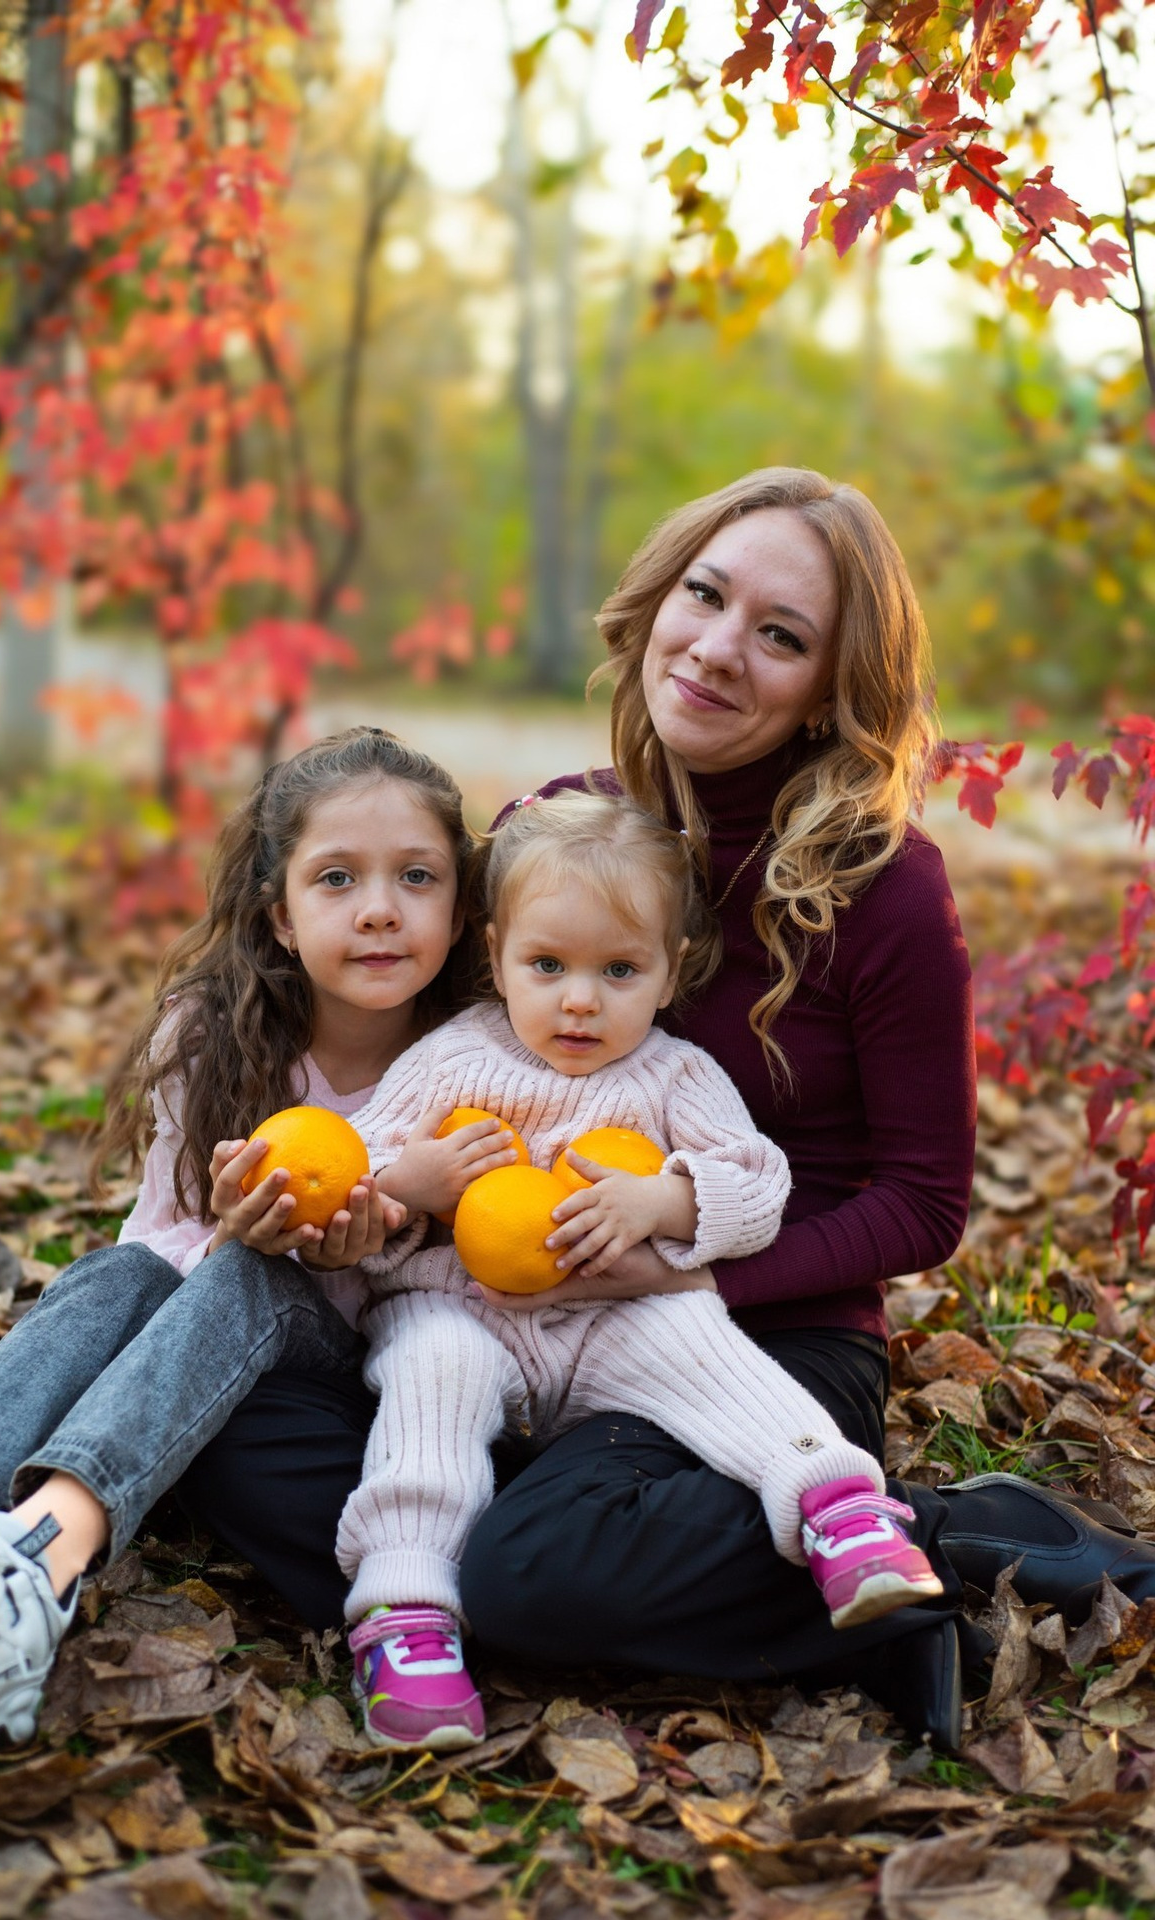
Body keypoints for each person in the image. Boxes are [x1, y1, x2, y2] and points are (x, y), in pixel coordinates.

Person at [178, 468, 1155, 1750]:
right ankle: (614, 1559)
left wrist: (675, 1267)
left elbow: (921, 1206)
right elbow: (456, 1081)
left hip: (747, 1336)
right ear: (656, 599)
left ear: (830, 689)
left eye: (781, 635)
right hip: (501, 1318)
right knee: (240, 1430)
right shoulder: (554, 832)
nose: (716, 646)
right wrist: (361, 1200)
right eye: (704, 594)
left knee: (533, 1578)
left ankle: (940, 1539)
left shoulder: (886, 891)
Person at [0, 727, 505, 1761]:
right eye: (336, 878)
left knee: (249, 1269)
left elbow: (477, 1299)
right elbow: (156, 1241)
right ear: (280, 916)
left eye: (417, 877)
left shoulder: (481, 1062)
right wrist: (232, 1232)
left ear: (462, 908)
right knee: (126, 1268)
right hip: (221, 1327)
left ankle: (35, 1567)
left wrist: (376, 1227)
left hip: (365, 1377)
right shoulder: (212, 1035)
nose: (379, 908)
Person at [338, 788, 943, 1751]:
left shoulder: (674, 1073)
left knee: (698, 1341)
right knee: (430, 1385)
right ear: (495, 954)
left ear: (671, 974)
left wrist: (666, 1202)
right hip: (463, 1307)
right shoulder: (449, 1059)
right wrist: (407, 1184)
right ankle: (405, 1611)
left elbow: (759, 1183)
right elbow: (358, 1169)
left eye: (619, 970)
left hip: (615, 1315)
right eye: (547, 966)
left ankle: (837, 1503)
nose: (580, 1000)